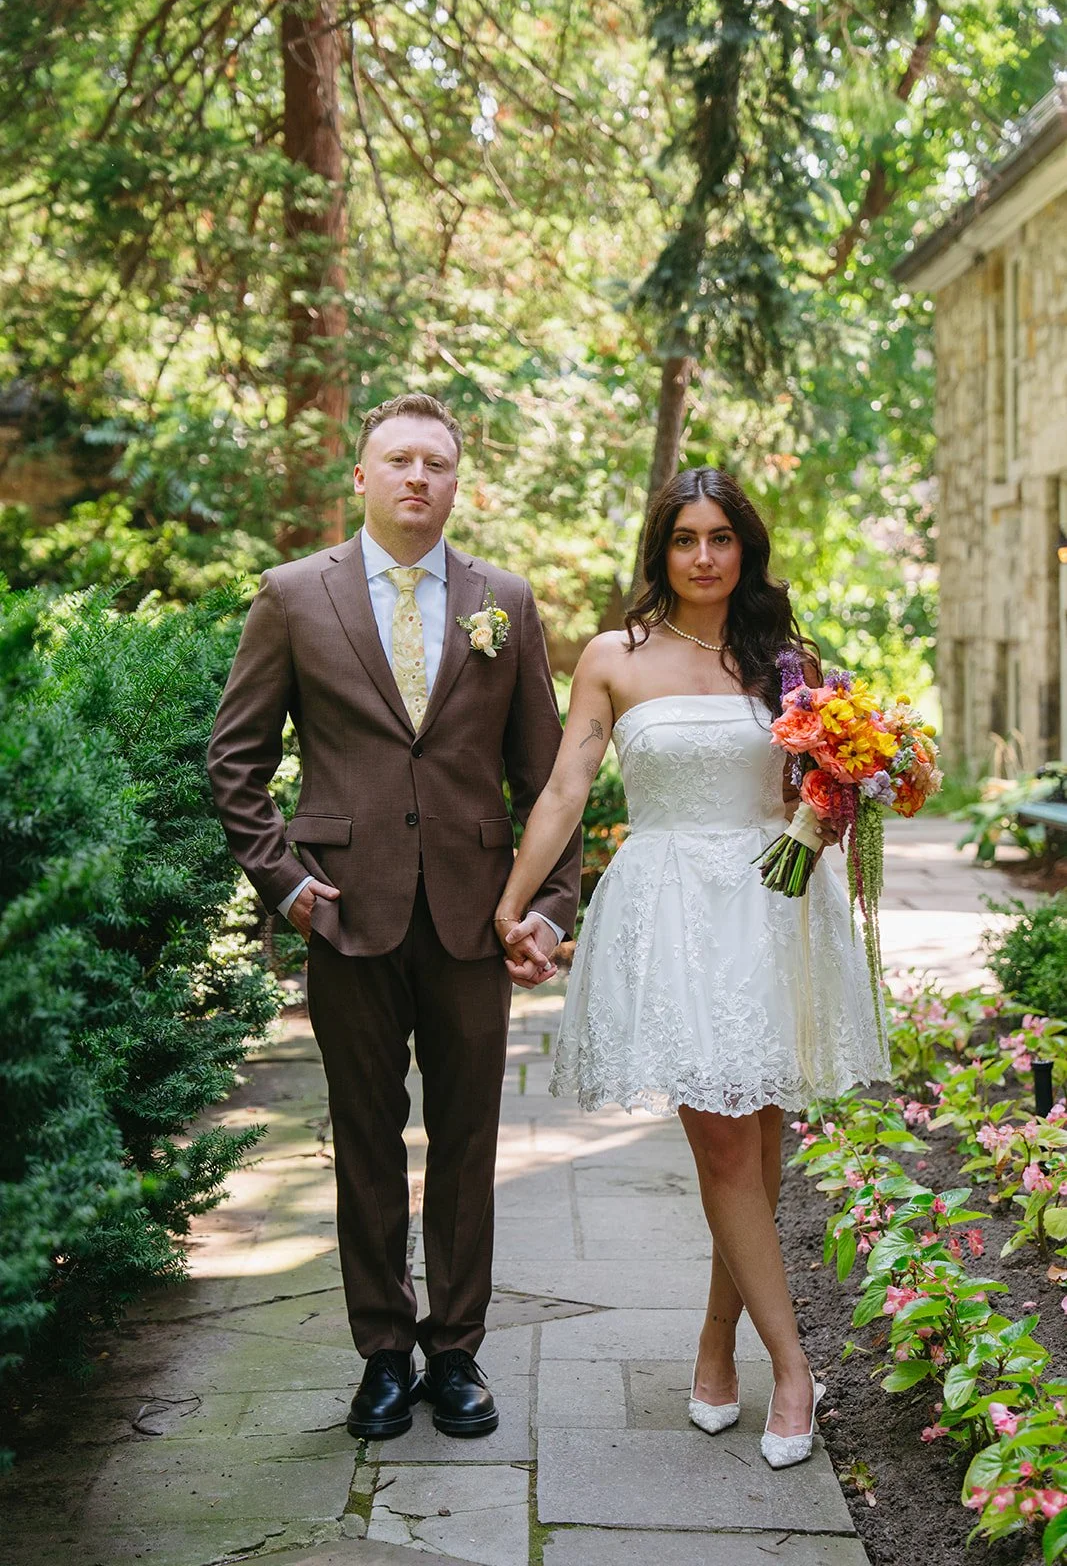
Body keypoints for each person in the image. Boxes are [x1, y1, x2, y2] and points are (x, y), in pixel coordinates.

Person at [495, 466, 889, 1469]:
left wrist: (866, 776)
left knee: (754, 1152)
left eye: (721, 537)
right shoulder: (611, 658)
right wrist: (513, 898)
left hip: (773, 911)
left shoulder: (788, 664)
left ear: (743, 549)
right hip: (670, 912)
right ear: (658, 549)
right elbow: (564, 786)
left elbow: (828, 790)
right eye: (685, 538)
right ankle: (791, 1365)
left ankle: (715, 1341)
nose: (705, 556)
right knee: (720, 1148)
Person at [207, 393, 581, 1441]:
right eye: (398, 460)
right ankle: (381, 1349)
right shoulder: (291, 596)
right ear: (361, 478)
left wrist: (549, 908)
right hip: (344, 915)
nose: (417, 477)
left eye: (437, 463)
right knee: (365, 1137)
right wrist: (283, 882)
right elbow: (235, 761)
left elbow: (546, 779)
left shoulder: (502, 599)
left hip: (473, 917)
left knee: (467, 1139)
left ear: (457, 483)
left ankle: (454, 1351)